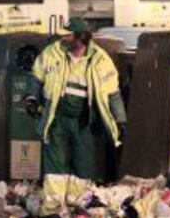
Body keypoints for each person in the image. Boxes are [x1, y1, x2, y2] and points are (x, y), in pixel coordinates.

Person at [24, 17, 127, 179]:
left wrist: (120, 120)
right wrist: (31, 98)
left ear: (81, 38)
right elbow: (36, 77)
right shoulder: (52, 53)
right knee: (55, 167)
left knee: (84, 165)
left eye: (68, 36)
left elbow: (113, 93)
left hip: (84, 122)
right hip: (56, 118)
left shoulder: (101, 60)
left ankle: (78, 200)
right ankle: (55, 203)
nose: (62, 38)